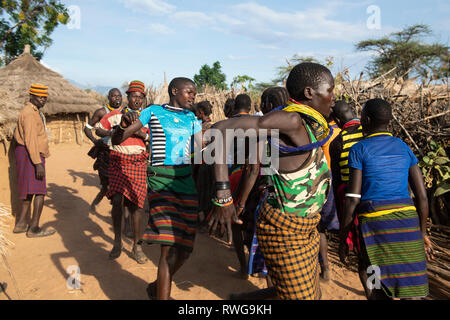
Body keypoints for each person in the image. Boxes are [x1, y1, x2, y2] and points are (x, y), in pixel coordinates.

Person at [210, 62, 335, 300]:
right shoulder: (292, 121)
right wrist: (223, 195)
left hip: (305, 228)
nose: (333, 97)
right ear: (309, 93)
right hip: (286, 230)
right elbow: (221, 129)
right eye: (330, 90)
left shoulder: (308, 125)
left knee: (302, 294)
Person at [111, 77, 202, 300]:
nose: (193, 97)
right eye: (189, 92)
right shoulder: (153, 112)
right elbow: (117, 138)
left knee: (185, 249)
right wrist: (123, 124)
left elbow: (201, 148)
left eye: (194, 94)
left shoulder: (192, 118)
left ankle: (155, 287)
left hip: (186, 183)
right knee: (168, 249)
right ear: (174, 91)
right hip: (161, 183)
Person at [339, 98, 433, 300]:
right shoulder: (404, 147)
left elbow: (353, 199)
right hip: (407, 222)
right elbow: (422, 198)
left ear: (366, 120)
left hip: (375, 223)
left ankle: (376, 297)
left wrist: (343, 238)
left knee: (369, 268)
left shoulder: (359, 149)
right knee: (411, 280)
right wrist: (422, 233)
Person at [97, 81, 150, 264]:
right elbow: (98, 129)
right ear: (128, 97)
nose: (137, 99)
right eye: (133, 96)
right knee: (117, 202)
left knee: (137, 205)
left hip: (138, 163)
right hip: (118, 161)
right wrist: (115, 131)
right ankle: (117, 242)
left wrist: (140, 134)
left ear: (143, 99)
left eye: (140, 96)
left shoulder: (148, 118)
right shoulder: (115, 115)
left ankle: (137, 246)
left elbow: (151, 138)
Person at [12, 84, 56, 238]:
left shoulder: (32, 111)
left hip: (27, 154)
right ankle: (34, 228)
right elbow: (31, 140)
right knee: (40, 192)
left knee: (28, 192)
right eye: (39, 97)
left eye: (44, 97)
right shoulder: (30, 114)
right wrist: (38, 163)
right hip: (31, 155)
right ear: (31, 96)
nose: (43, 100)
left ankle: (21, 223)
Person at [329, 101, 364, 251]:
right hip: (374, 191)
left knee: (361, 248)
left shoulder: (337, 142)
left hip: (351, 197)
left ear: (336, 121)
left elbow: (337, 182)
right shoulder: (369, 132)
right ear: (352, 110)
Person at [84, 88, 123, 212]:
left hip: (121, 154)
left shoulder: (125, 112)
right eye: (114, 96)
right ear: (108, 97)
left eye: (119, 96)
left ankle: (118, 212)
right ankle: (95, 204)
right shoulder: (101, 112)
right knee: (107, 186)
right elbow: (87, 128)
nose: (117, 98)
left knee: (120, 187)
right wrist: (96, 142)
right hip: (105, 154)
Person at [317, 112, 341, 281]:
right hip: (347, 182)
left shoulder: (322, 133)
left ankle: (325, 269)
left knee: (319, 227)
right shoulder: (348, 132)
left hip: (326, 180)